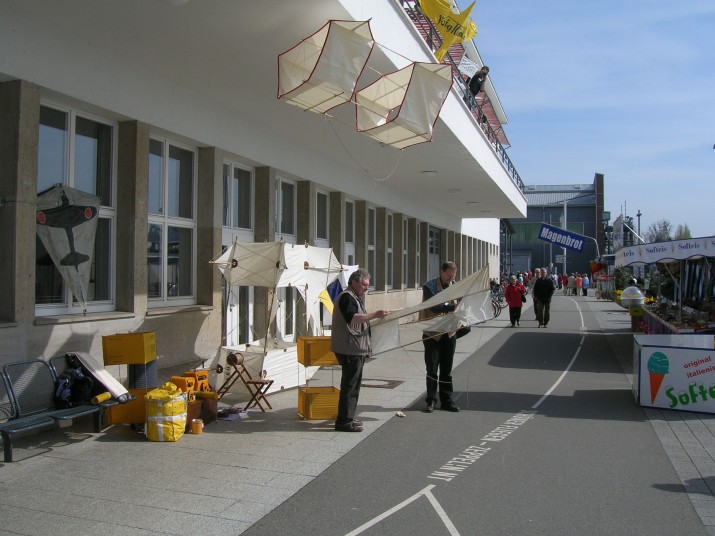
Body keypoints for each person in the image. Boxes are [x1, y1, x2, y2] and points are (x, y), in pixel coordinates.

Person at [330, 268, 388, 432]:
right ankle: (343, 422)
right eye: (364, 284)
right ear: (354, 283)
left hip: (355, 347)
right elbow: (353, 318)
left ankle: (348, 417)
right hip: (349, 349)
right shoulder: (347, 297)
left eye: (368, 285)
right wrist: (375, 314)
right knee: (350, 385)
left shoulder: (355, 297)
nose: (366, 288)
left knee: (353, 385)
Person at [420, 261, 461, 413]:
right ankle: (431, 401)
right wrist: (454, 306)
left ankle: (446, 400)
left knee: (446, 369)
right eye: (449, 275)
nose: (451, 278)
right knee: (432, 369)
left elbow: (462, 302)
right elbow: (434, 306)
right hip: (432, 333)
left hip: (449, 332)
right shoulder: (429, 286)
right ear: (442, 272)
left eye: (453, 276)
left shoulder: (455, 286)